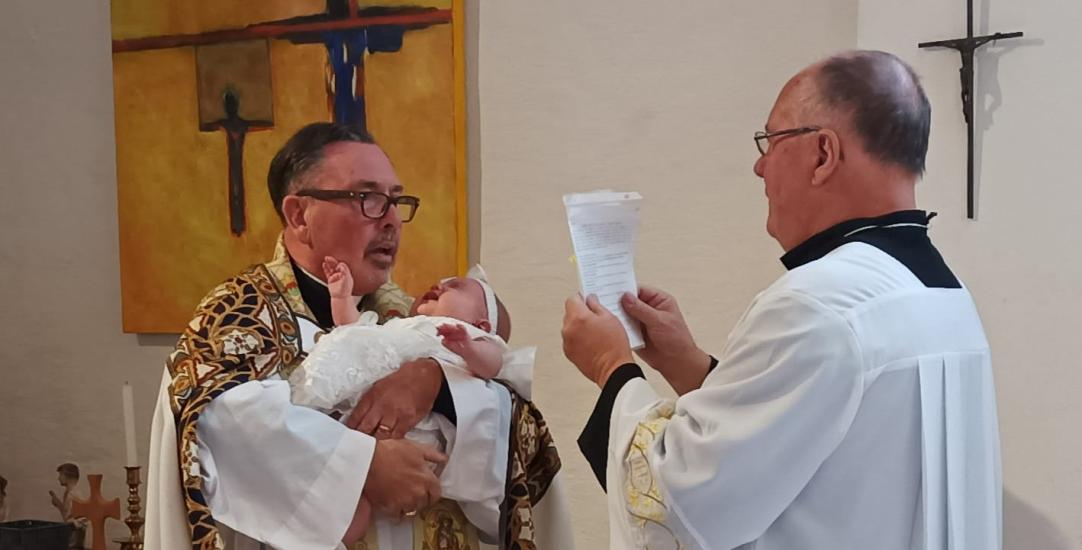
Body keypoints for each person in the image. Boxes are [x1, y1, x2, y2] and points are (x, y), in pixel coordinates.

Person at [562, 50, 1001, 550]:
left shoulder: (817, 303)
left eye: (770, 140)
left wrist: (609, 365)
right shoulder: (940, 293)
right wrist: (689, 364)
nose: (759, 165)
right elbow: (813, 438)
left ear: (822, 155)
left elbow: (680, 506)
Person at [145, 122, 572, 550]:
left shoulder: (410, 319)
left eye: (395, 201)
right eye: (367, 198)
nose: (391, 221)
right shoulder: (239, 315)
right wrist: (363, 466)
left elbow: (523, 433)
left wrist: (436, 383)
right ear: (299, 215)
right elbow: (215, 422)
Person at [290, 260, 535, 537]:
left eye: (455, 286)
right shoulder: (400, 326)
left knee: (357, 502)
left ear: (482, 323)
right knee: (340, 496)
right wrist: (342, 297)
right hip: (350, 414)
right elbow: (355, 333)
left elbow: (493, 364)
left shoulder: (471, 337)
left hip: (410, 433)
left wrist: (467, 347)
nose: (440, 284)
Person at [49, 463, 87, 549]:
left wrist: (70, 524)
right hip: (70, 542)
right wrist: (59, 505)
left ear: (68, 476)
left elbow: (83, 519)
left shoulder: (75, 495)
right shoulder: (69, 494)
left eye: (61, 475)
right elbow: (68, 515)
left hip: (75, 544)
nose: (58, 478)